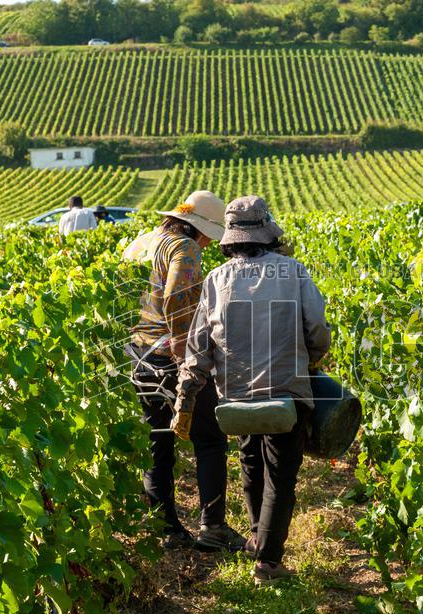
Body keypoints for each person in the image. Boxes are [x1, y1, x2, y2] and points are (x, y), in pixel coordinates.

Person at [173, 195, 331, 586]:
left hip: (237, 394)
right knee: (280, 472)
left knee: (250, 461)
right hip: (286, 390)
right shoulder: (292, 271)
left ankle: (258, 535)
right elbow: (317, 329)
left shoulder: (217, 279)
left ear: (230, 238)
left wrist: (187, 394)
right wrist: (310, 361)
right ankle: (268, 561)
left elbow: (199, 345)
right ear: (266, 232)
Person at [129, 190, 246, 552]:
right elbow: (177, 302)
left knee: (158, 438)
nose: (212, 243)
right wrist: (186, 358)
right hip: (168, 354)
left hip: (138, 350)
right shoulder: (185, 248)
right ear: (200, 228)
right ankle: (212, 528)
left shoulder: (148, 240)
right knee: (209, 439)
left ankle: (164, 526)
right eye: (212, 234)